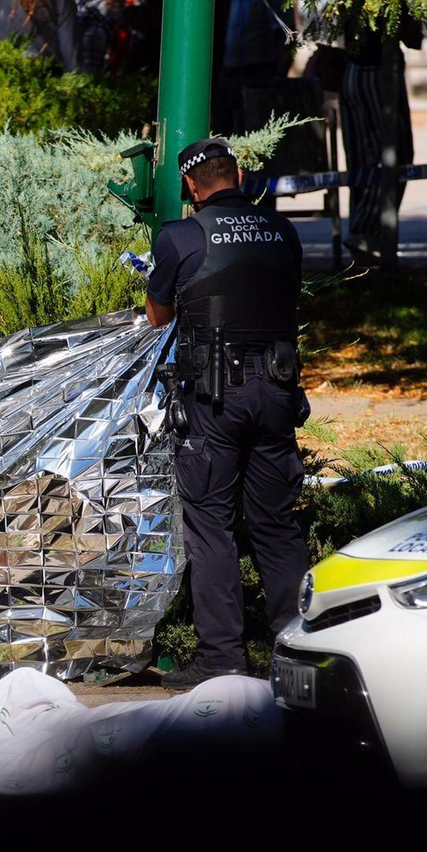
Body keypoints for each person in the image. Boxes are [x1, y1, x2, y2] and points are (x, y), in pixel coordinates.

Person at [145, 139, 308, 688]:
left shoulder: (181, 236)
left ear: (191, 185)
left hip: (215, 398)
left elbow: (157, 316)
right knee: (276, 523)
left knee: (210, 524)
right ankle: (296, 649)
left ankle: (221, 658)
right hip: (278, 391)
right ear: (238, 175)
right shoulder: (282, 231)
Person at [339, 14, 421, 262]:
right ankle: (365, 230)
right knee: (394, 154)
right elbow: (414, 38)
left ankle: (365, 235)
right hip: (377, 72)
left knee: (360, 157)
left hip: (352, 72)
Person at [212, 0, 295, 135]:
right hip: (227, 77)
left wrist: (279, 76)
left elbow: (286, 33)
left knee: (256, 135)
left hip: (258, 75)